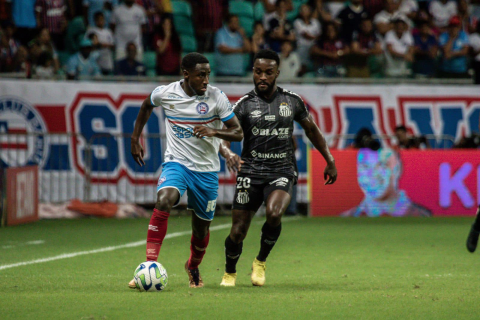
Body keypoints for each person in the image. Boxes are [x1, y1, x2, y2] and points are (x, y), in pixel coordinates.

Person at [218, 49, 337, 287]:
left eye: (268, 73)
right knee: (238, 231)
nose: (263, 77)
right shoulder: (243, 105)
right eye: (258, 72)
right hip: (250, 171)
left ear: (277, 73)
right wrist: (228, 152)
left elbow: (312, 130)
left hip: (281, 169)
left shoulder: (292, 101)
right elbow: (224, 137)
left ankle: (260, 261)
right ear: (253, 72)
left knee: (274, 213)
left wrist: (330, 160)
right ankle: (230, 271)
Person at [128, 52, 243, 289]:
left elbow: (238, 132)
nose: (206, 80)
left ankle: (192, 265)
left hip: (207, 171)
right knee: (164, 200)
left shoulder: (216, 97)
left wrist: (215, 132)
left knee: (201, 230)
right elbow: (145, 105)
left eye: (208, 74)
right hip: (176, 163)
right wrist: (135, 138)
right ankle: (150, 266)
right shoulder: (166, 93)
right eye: (201, 75)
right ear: (186, 74)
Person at [341, 148, 432, 217]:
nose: (372, 174)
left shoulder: (420, 215)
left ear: (397, 170)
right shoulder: (348, 216)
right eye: (365, 167)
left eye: (382, 166)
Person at [85, 11, 114, 75]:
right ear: (95, 20)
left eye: (101, 19)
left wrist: (101, 45)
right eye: (98, 19)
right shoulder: (91, 30)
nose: (100, 21)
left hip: (106, 60)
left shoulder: (108, 32)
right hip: (95, 60)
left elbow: (112, 45)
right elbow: (88, 44)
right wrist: (102, 45)